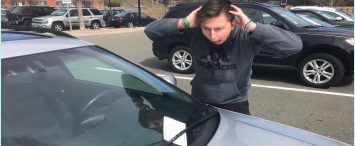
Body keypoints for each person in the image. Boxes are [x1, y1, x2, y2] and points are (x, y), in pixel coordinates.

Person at [144, 0, 302, 115]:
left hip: (235, 103)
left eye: (219, 28)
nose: (213, 35)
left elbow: (294, 46)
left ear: (233, 24)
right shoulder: (194, 33)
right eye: (207, 28)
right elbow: (150, 31)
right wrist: (184, 22)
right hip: (199, 100)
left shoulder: (247, 38)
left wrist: (252, 27)